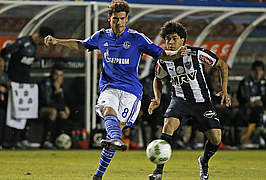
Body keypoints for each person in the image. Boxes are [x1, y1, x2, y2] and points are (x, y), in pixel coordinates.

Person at [43, 0, 187, 179]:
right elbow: (81, 44)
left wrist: (177, 53)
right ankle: (114, 142)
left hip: (131, 93)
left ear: (127, 19)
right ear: (109, 18)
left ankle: (99, 172)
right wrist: (57, 41)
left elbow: (162, 53)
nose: (119, 23)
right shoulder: (102, 36)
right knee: (107, 111)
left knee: (114, 135)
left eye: (123, 19)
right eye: (116, 19)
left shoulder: (137, 38)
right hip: (109, 87)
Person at [148, 21, 231, 180]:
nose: (170, 43)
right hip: (179, 100)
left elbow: (222, 65)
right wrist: (157, 98)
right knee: (168, 125)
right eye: (167, 39)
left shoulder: (197, 54)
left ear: (183, 40)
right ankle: (158, 172)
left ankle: (204, 161)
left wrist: (225, 89)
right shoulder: (164, 59)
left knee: (216, 139)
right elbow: (157, 79)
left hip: (202, 101)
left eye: (174, 39)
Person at [0, 26, 54, 149]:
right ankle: (6, 142)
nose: (45, 44)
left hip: (24, 86)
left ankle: (20, 140)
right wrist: (6, 79)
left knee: (24, 111)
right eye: (45, 40)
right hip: (13, 85)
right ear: (40, 37)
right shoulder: (22, 42)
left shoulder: (34, 47)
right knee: (11, 113)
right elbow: (4, 53)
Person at [39, 63, 70, 149]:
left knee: (63, 113)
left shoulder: (60, 85)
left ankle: (58, 139)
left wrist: (58, 91)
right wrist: (63, 107)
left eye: (60, 75)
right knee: (53, 111)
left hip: (55, 108)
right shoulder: (47, 83)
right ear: (52, 74)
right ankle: (46, 140)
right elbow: (47, 101)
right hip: (40, 108)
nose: (58, 77)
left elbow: (62, 101)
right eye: (56, 75)